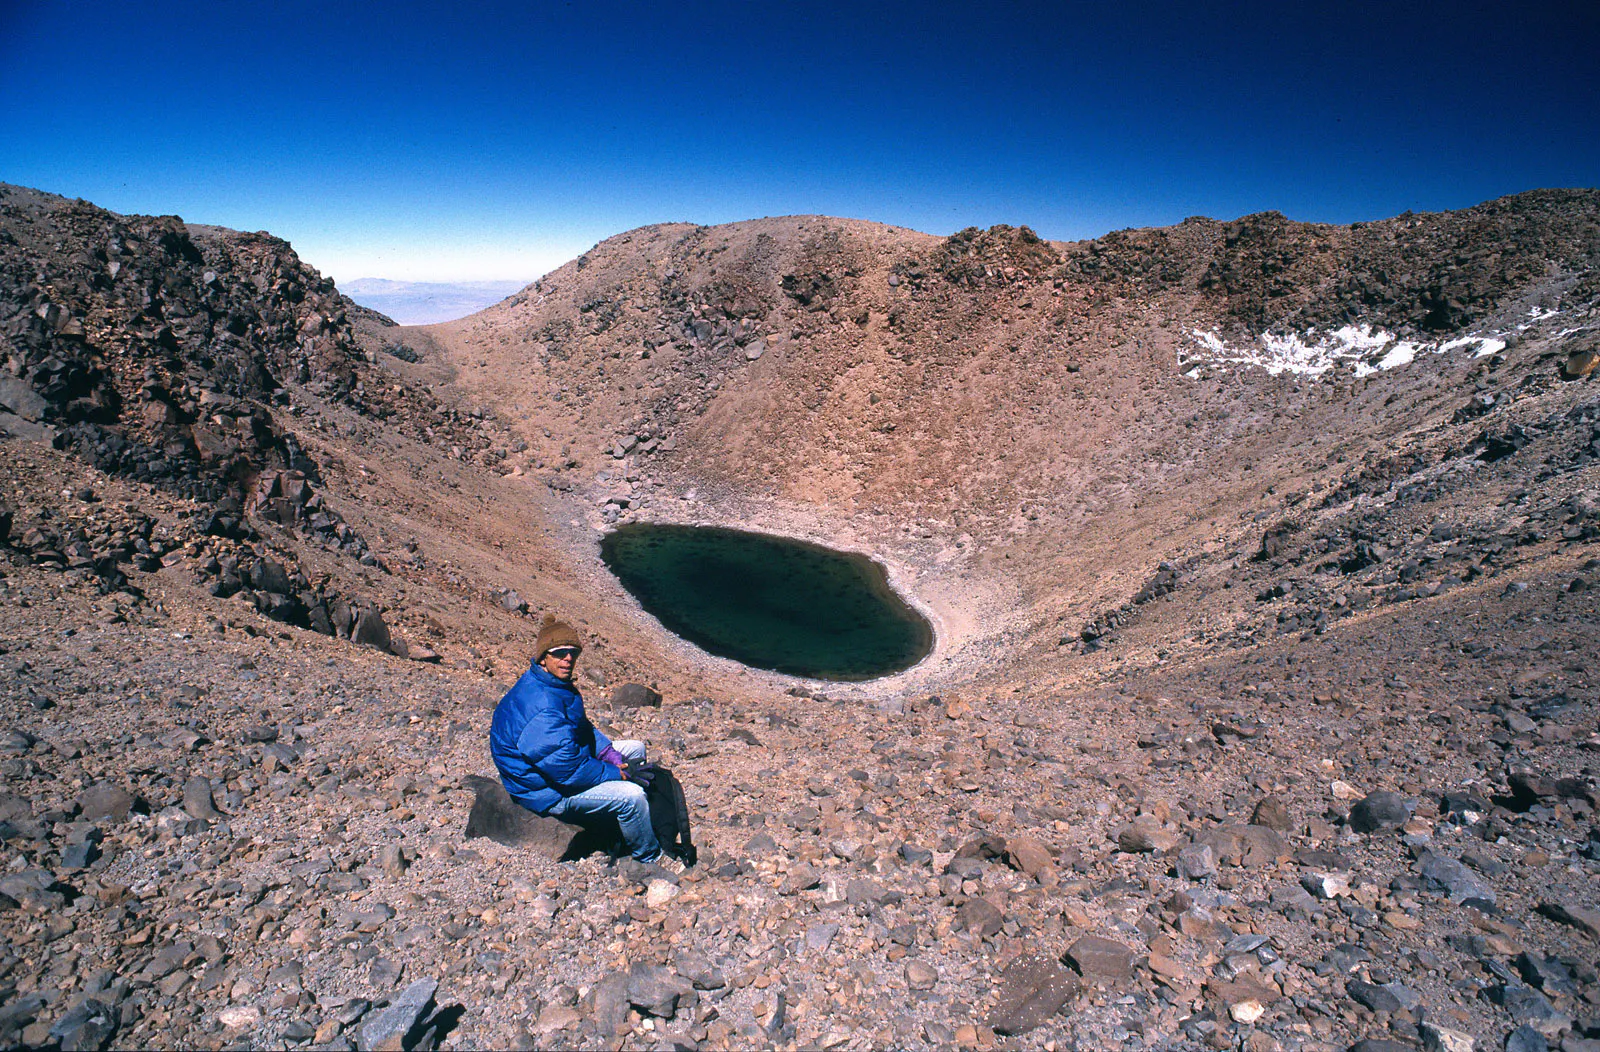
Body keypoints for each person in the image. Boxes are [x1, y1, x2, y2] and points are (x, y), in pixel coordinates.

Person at [490, 615, 684, 873]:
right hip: (546, 791)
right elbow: (567, 771)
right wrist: (619, 773)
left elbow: (581, 728)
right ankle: (650, 857)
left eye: (573, 652)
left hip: (561, 767)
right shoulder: (542, 706)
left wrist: (608, 752)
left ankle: (631, 824)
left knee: (635, 748)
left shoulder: (554, 685)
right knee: (632, 797)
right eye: (559, 653)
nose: (568, 659)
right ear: (543, 658)